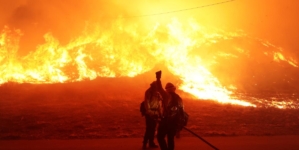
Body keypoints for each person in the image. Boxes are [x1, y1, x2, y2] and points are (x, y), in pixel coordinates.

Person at [155, 71, 184, 150]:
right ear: (174, 89)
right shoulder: (179, 98)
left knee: (160, 137)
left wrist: (158, 78)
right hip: (174, 123)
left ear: (167, 90)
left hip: (166, 122)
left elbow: (159, 88)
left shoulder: (166, 95)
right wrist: (179, 128)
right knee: (170, 139)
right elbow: (182, 113)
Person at [142, 81, 162, 149]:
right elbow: (147, 103)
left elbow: (159, 104)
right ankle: (144, 143)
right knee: (149, 129)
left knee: (153, 129)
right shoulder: (149, 92)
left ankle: (151, 142)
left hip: (155, 113)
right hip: (150, 114)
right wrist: (150, 113)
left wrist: (160, 113)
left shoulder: (157, 93)